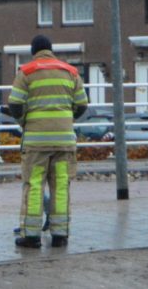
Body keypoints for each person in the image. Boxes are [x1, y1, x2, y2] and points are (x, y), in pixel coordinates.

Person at [8, 34, 88, 248]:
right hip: (64, 142)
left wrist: (24, 122)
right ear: (51, 50)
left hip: (36, 143)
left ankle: (31, 236)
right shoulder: (71, 72)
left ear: (33, 51)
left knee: (34, 185)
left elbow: (15, 104)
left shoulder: (26, 72)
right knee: (61, 185)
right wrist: (66, 119)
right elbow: (82, 105)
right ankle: (60, 235)